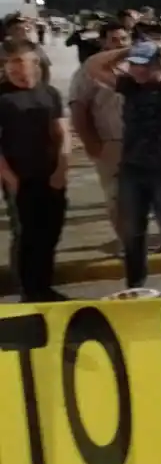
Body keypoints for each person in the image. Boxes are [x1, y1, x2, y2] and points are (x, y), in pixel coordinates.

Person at [87, 40, 161, 295]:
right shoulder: (130, 87)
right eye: (134, 65)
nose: (137, 69)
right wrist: (128, 50)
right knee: (132, 230)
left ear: (157, 65)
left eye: (143, 64)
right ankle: (135, 284)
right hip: (133, 167)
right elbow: (93, 66)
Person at [0, 40, 69, 301]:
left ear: (35, 62)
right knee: (26, 236)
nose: (17, 68)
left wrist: (62, 168)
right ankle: (28, 292)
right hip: (20, 178)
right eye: (11, 62)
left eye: (22, 60)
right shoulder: (3, 97)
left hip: (51, 174)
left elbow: (62, 132)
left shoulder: (49, 93)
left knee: (51, 232)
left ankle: (44, 288)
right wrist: (9, 178)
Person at [69, 21, 130, 254]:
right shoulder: (90, 70)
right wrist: (90, 142)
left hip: (143, 141)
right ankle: (126, 242)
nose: (120, 44)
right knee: (117, 196)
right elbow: (78, 107)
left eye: (124, 39)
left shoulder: (139, 65)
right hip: (110, 142)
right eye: (114, 40)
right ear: (103, 42)